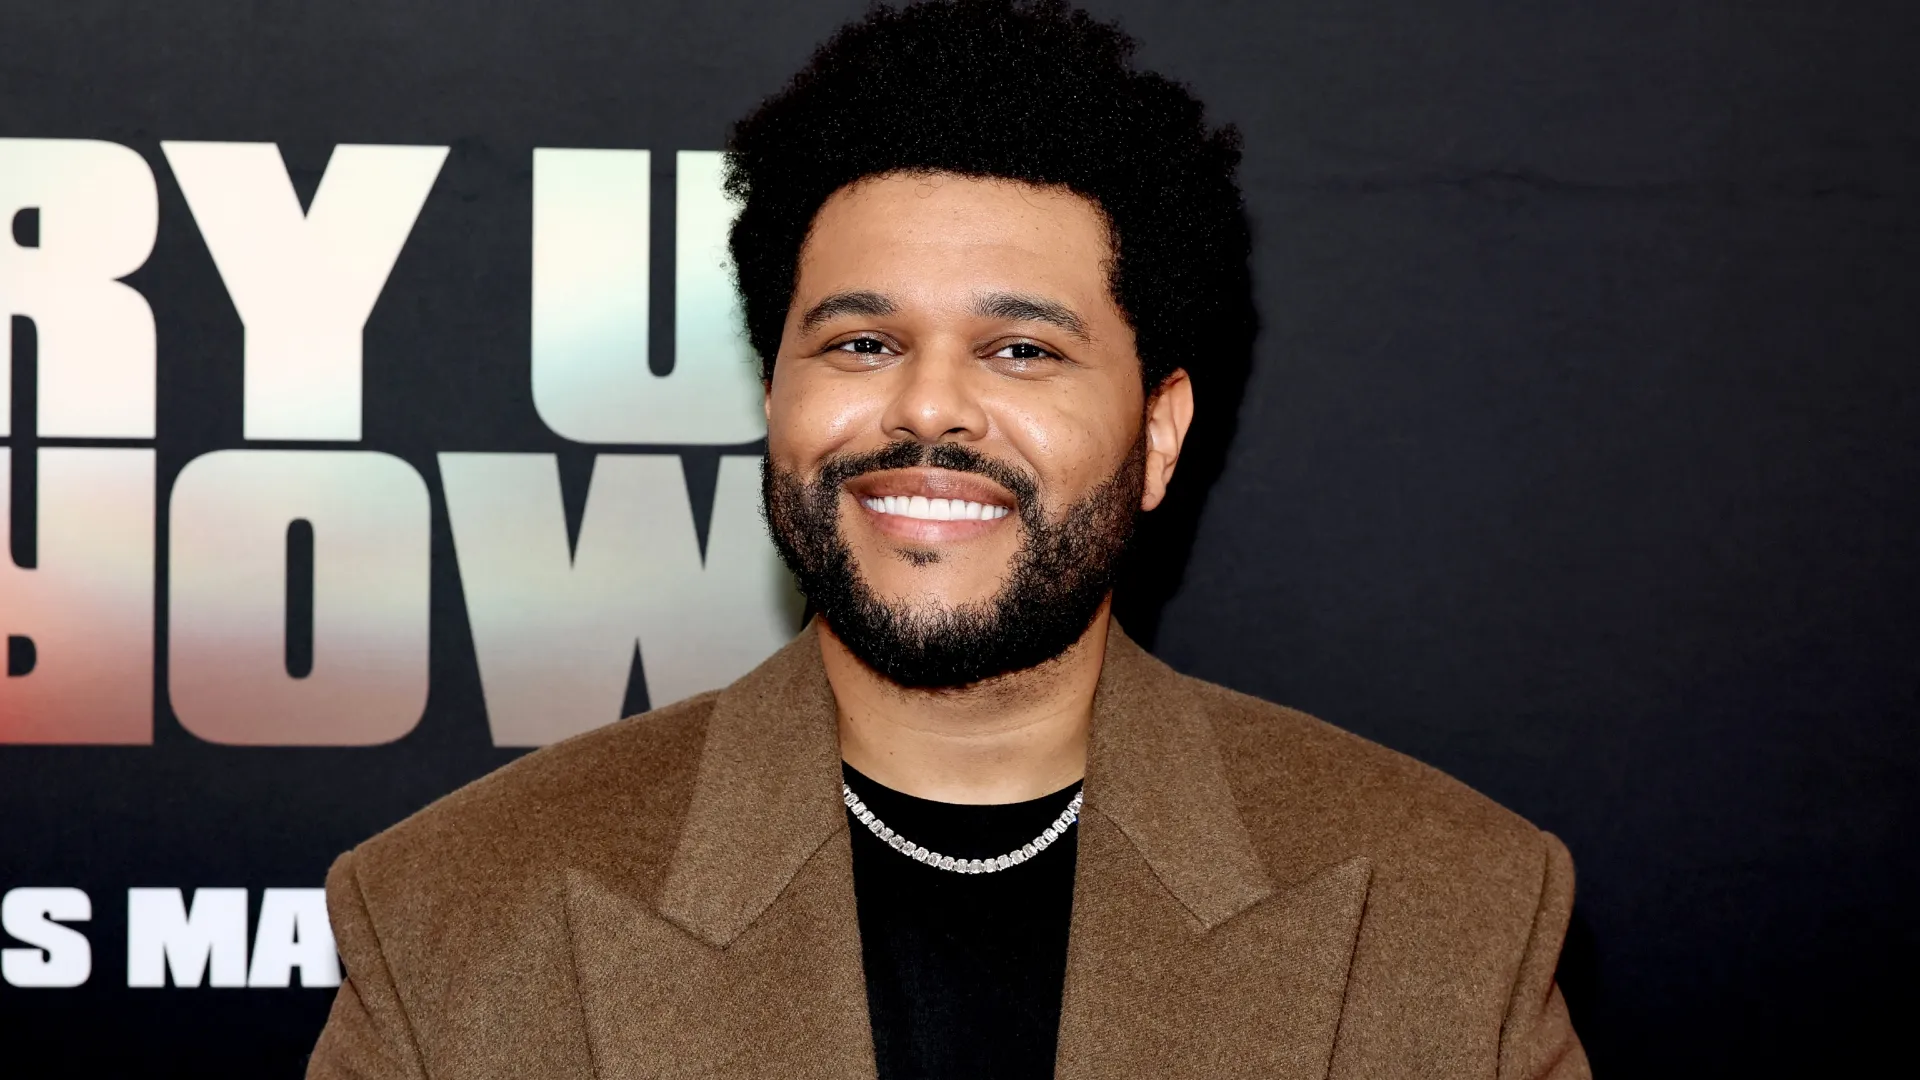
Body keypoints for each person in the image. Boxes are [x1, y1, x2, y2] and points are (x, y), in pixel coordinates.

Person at [307, 2, 1589, 1077]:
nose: (926, 407)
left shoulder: (1451, 911)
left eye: (1022, 351)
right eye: (861, 344)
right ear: (775, 399)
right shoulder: (448, 919)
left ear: (1157, 432)